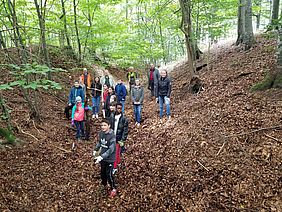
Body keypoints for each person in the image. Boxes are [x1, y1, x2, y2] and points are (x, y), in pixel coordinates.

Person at [92, 119, 117, 198]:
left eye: (105, 125)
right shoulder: (101, 133)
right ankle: (105, 185)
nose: (103, 127)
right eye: (102, 125)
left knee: (109, 174)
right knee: (102, 173)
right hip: (102, 158)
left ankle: (113, 188)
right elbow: (100, 142)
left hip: (110, 158)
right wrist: (95, 150)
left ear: (109, 126)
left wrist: (101, 156)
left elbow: (111, 149)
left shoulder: (112, 135)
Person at [109, 102, 128, 174]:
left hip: (118, 138)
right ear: (115, 108)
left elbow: (125, 130)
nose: (119, 110)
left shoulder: (124, 118)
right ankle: (117, 162)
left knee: (116, 152)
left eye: (120, 108)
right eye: (118, 108)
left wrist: (123, 140)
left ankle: (114, 167)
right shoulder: (112, 116)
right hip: (112, 137)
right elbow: (110, 126)